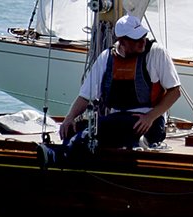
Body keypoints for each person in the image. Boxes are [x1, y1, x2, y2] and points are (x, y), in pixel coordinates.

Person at [59, 14, 182, 149]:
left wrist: (150, 117)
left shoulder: (157, 53)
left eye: (143, 36)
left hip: (149, 121)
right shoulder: (106, 58)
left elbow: (175, 91)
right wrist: (69, 118)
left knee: (101, 131)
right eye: (136, 39)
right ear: (122, 42)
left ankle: (56, 155)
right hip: (117, 119)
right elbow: (85, 96)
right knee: (76, 129)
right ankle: (69, 150)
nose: (142, 41)